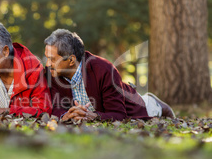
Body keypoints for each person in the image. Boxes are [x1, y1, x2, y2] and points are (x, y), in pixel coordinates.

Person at [44, 29, 175, 121]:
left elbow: (119, 115)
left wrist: (94, 116)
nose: (48, 63)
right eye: (47, 58)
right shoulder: (53, 73)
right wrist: (66, 115)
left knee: (149, 108)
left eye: (53, 59)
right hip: (98, 109)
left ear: (71, 60)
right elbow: (56, 108)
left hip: (134, 107)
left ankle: (154, 103)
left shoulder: (103, 69)